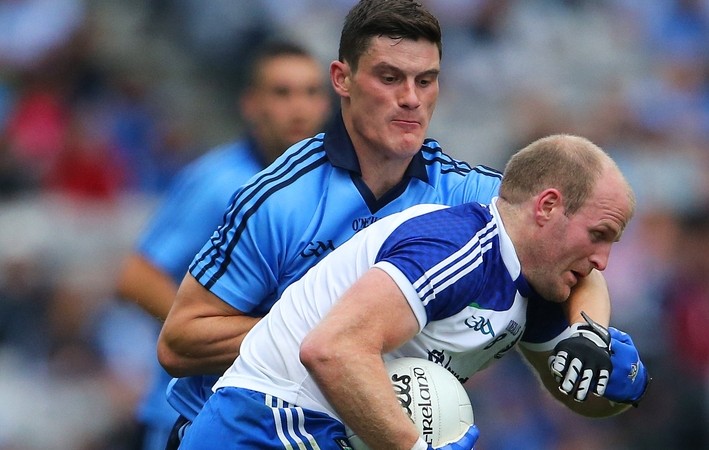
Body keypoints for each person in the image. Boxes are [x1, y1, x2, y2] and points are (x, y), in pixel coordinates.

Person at [158, 0, 635, 443]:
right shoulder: (280, 198)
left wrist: (590, 333)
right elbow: (179, 343)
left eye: (425, 81)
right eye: (390, 78)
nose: (410, 98)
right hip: (239, 425)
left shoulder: (467, 193)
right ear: (341, 80)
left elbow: (567, 251)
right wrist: (353, 327)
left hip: (351, 425)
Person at [176, 134, 650, 450]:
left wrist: (610, 369)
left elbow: (573, 387)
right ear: (547, 206)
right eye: (599, 235)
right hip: (268, 427)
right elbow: (331, 349)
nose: (603, 261)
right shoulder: (458, 249)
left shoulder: (533, 277)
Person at [115, 40, 331, 450]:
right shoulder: (218, 181)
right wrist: (208, 332)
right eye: (281, 92)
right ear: (251, 104)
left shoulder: (332, 186)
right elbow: (137, 277)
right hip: (188, 412)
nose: (299, 108)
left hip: (270, 412)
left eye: (311, 92)